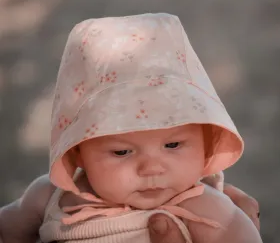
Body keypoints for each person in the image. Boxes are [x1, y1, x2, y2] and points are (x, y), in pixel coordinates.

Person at [0, 13, 262, 243]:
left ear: (206, 140)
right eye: (122, 152)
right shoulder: (49, 197)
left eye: (172, 145)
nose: (151, 168)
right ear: (77, 150)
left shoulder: (208, 210)